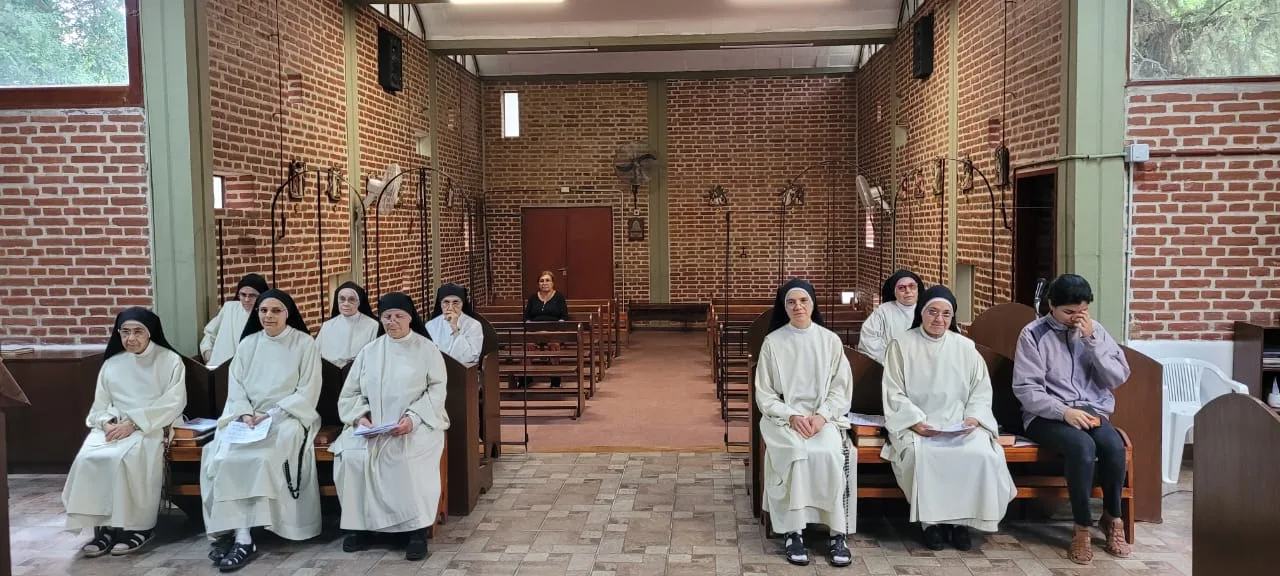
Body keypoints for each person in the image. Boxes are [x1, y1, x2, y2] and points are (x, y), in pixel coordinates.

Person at [881, 286, 1015, 551]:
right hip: (919, 425)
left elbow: (980, 390)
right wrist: (914, 422)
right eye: (932, 312)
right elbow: (893, 391)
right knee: (922, 456)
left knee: (982, 455)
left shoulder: (965, 347)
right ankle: (930, 524)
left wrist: (974, 419)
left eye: (946, 314)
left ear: (952, 318)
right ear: (922, 313)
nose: (939, 319)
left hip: (960, 424)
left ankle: (961, 523)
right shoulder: (901, 345)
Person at [1012, 274, 1131, 565]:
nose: (1075, 319)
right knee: (1082, 448)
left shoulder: (1096, 332)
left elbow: (1118, 377)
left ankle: (1113, 518)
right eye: (1068, 312)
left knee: (1113, 446)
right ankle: (1081, 528)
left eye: (1082, 312)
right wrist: (1064, 412)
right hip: (1047, 415)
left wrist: (1092, 342)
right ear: (1051, 305)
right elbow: (1026, 390)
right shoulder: (1033, 334)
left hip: (1092, 411)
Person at [200, 289, 322, 572]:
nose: (268, 316)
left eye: (275, 310)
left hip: (287, 417)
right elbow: (237, 387)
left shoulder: (304, 344)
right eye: (263, 311)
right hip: (246, 419)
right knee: (225, 457)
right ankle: (239, 533)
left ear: (287, 313)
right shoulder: (248, 344)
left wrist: (272, 414)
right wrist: (245, 413)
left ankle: (246, 536)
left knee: (262, 459)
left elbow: (307, 390)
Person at [62, 307, 187, 557]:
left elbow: (173, 402)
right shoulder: (112, 363)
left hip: (151, 424)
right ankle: (105, 527)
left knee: (131, 458)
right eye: (125, 332)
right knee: (91, 458)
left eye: (138, 332)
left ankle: (138, 528)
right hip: (115, 424)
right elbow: (99, 405)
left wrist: (135, 423)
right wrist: (106, 422)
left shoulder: (170, 360)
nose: (131, 339)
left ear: (151, 333)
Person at [333, 292, 449, 561]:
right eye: (386, 316)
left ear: (410, 318)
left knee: (404, 459)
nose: (392, 321)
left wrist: (413, 419)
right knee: (351, 457)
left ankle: (415, 530)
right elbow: (350, 393)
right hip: (374, 427)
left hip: (416, 425)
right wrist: (360, 416)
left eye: (399, 316)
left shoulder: (426, 349)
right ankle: (360, 528)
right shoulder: (369, 352)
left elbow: (436, 390)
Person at [754, 279, 855, 568]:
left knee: (829, 454)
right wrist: (792, 416)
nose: (797, 307)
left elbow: (840, 388)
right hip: (784, 420)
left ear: (813, 304)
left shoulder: (830, 341)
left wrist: (822, 416)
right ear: (783, 307)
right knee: (796, 456)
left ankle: (837, 533)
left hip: (822, 419)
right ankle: (793, 531)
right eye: (790, 302)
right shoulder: (773, 342)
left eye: (803, 301)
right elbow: (765, 393)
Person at [200, 273, 269, 367]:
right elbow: (209, 334)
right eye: (243, 294)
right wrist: (208, 354)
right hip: (220, 369)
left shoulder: (269, 317)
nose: (247, 299)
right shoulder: (229, 309)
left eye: (252, 295)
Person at [856, 269, 922, 364]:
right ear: (894, 292)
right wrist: (893, 359)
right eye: (902, 288)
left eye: (912, 286)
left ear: (917, 289)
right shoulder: (883, 311)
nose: (908, 291)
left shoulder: (926, 311)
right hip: (889, 365)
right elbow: (869, 339)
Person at [521, 270, 569, 388]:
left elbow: (564, 317)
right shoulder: (533, 298)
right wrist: (531, 327)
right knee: (527, 345)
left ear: (553, 283)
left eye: (547, 280)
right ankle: (526, 378)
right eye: (541, 281)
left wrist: (555, 329)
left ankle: (555, 379)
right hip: (535, 331)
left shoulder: (559, 297)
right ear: (538, 284)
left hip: (553, 331)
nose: (544, 283)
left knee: (554, 345)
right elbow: (527, 317)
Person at [316, 281, 379, 368]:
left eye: (351, 299)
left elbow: (375, 357)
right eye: (342, 299)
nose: (346, 303)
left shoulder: (373, 326)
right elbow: (315, 355)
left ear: (359, 302)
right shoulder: (327, 325)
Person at [426, 283, 485, 366]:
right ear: (440, 304)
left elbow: (470, 357)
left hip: (463, 371)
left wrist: (455, 328)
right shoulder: (430, 325)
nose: (450, 307)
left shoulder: (474, 325)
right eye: (446, 302)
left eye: (455, 302)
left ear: (462, 304)